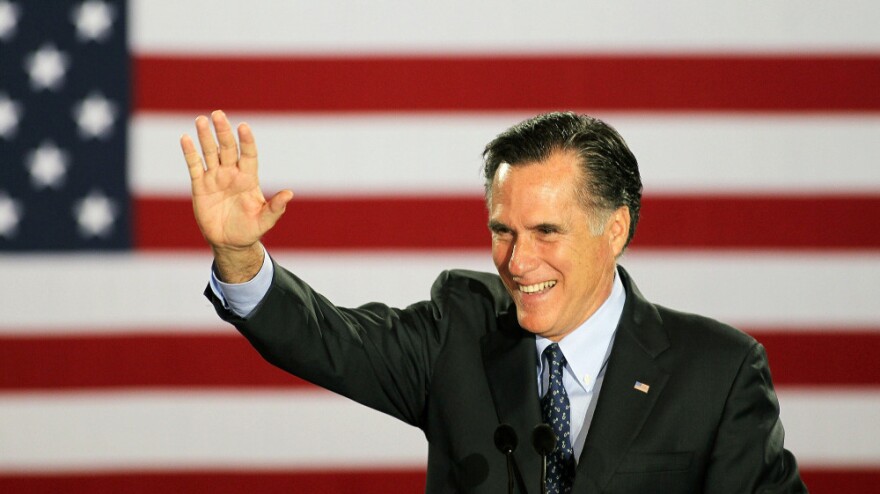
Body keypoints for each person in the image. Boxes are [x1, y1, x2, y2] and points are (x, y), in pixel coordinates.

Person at [180, 110, 807, 493]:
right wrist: (240, 257)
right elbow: (325, 340)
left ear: (614, 230)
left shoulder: (717, 371)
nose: (516, 260)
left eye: (546, 232)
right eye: (502, 230)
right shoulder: (461, 333)